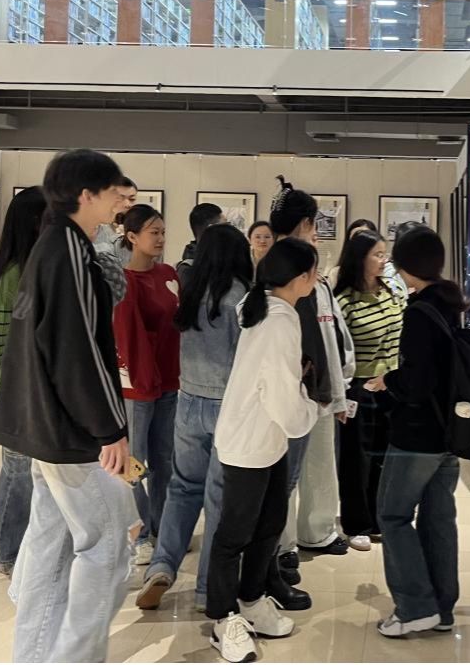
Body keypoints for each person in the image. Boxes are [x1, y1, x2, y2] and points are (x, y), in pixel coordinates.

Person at [0, 149, 137, 663]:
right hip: (67, 429)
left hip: (44, 424)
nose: (120, 201)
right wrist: (111, 428)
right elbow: (79, 352)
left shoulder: (56, 245)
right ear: (86, 195)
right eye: (113, 192)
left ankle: (35, 655)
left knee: (50, 546)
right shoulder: (68, 250)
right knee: (106, 546)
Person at [207, 238, 322, 664]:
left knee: (270, 522)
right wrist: (310, 410)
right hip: (249, 440)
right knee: (235, 533)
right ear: (301, 277)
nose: (317, 277)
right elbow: (281, 395)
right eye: (315, 270)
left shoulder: (272, 309)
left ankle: (252, 599)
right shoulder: (277, 321)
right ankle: (223, 618)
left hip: (266, 438)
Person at [137, 223, 252, 612]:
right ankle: (206, 589)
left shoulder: (189, 294)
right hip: (227, 406)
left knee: (182, 488)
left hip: (188, 401)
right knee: (219, 497)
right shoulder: (241, 298)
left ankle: (161, 567)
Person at [365, 227, 470, 637]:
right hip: (449, 433)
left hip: (417, 434)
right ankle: (442, 608)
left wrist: (388, 381)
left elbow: (418, 382)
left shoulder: (419, 312)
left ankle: (414, 607)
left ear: (405, 265)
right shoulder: (449, 303)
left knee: (392, 515)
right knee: (438, 519)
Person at [269, 178, 354, 585]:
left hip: (318, 385)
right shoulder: (282, 269)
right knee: (285, 469)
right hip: (294, 386)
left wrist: (337, 390)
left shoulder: (309, 269)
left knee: (318, 460)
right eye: (313, 222)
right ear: (304, 222)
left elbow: (330, 333)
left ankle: (316, 531)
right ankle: (282, 543)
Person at [0, 185, 48, 577]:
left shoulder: (41, 266)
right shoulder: (15, 274)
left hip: (38, 392)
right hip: (19, 394)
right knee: (18, 473)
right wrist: (7, 389)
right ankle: (9, 554)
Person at [113, 204, 181, 569]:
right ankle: (138, 532)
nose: (160, 238)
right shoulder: (123, 280)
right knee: (134, 462)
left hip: (169, 380)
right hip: (137, 386)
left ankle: (163, 529)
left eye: (163, 232)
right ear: (132, 236)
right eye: (153, 232)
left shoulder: (168, 274)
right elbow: (126, 339)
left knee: (164, 458)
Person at [333, 230, 404, 552]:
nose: (383, 259)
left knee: (383, 457)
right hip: (358, 389)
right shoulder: (344, 300)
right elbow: (338, 350)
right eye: (377, 254)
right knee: (355, 459)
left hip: (389, 385)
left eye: (384, 253)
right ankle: (356, 523)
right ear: (359, 258)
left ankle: (377, 518)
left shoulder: (390, 291)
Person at [180, 202, 226, 289]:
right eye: (225, 226)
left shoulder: (223, 259)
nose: (230, 231)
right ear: (211, 229)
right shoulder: (188, 269)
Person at [94, 177, 138, 265]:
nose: (127, 204)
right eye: (120, 198)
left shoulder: (137, 228)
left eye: (132, 199)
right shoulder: (94, 228)